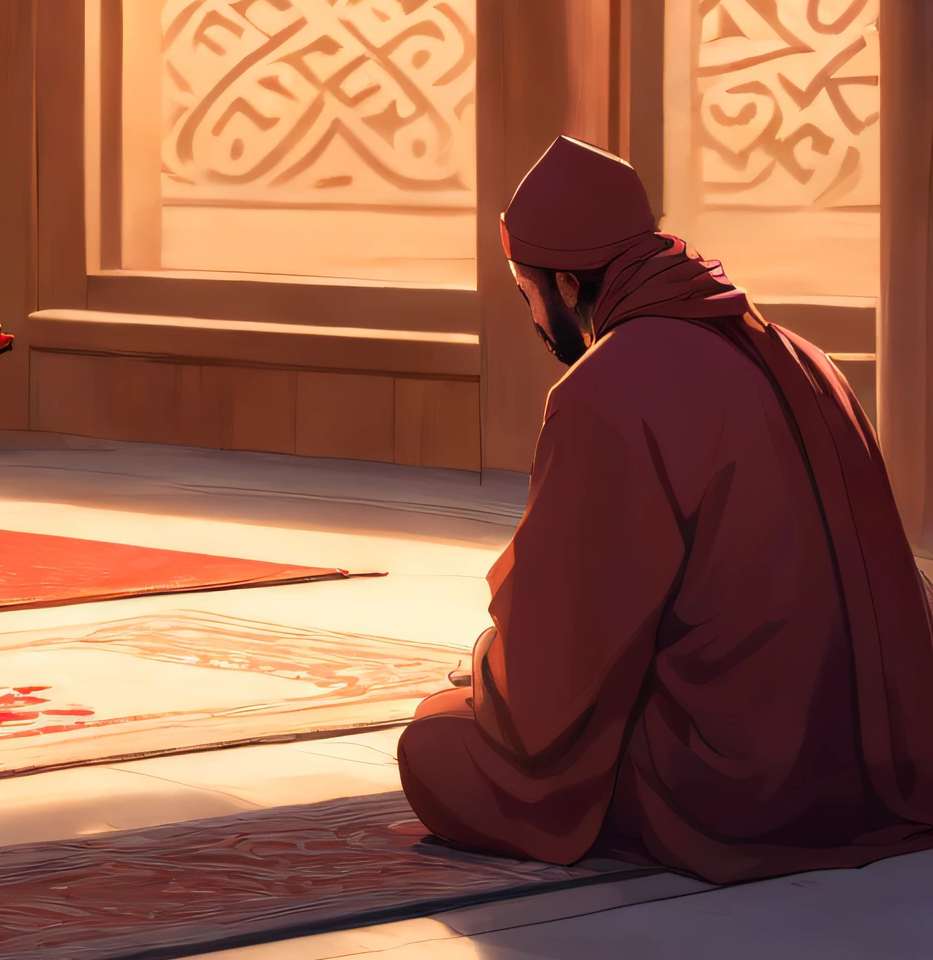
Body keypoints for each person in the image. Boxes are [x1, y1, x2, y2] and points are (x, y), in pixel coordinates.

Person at [397, 135, 933, 882]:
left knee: (434, 742)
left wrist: (491, 673)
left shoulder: (607, 389)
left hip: (734, 782)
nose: (532, 317)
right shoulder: (807, 358)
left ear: (569, 286)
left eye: (528, 293)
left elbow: (565, 647)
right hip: (878, 760)